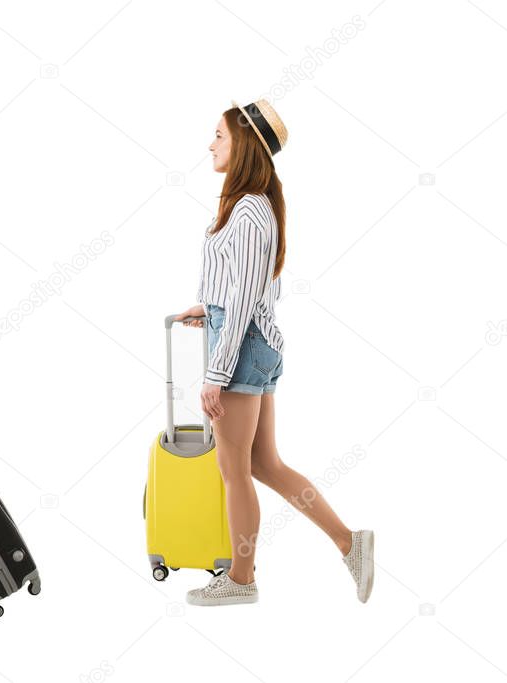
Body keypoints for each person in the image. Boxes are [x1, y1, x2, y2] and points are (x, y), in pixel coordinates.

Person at [174, 99, 374, 606]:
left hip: (238, 349)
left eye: (219, 135)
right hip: (249, 341)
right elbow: (246, 288)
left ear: (243, 145)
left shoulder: (249, 211)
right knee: (264, 463)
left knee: (233, 470)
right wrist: (208, 306)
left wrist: (216, 372)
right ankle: (351, 543)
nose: (211, 144)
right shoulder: (253, 205)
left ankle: (241, 580)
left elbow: (244, 297)